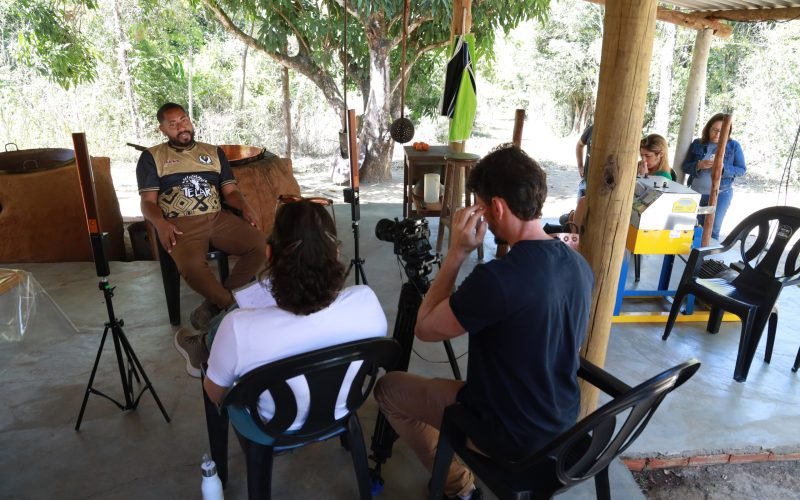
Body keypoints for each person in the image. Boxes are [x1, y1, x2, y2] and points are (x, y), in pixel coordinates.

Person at [374, 144, 594, 500]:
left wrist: (456, 254)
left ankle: (458, 486)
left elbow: (425, 328)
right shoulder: (577, 264)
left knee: (389, 390)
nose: (483, 220)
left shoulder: (497, 279)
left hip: (508, 433)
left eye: (481, 208)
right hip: (562, 421)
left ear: (498, 206)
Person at [203, 200, 387, 422]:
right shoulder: (366, 303)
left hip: (272, 426)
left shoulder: (238, 327)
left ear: (269, 253)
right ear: (336, 253)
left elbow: (215, 394)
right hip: (341, 409)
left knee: (218, 343)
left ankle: (201, 345)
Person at [137, 102, 266, 338]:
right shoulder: (152, 157)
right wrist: (161, 223)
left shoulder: (214, 152)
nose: (181, 127)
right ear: (162, 129)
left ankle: (213, 306)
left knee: (259, 244)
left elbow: (230, 192)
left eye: (184, 120)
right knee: (192, 267)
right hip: (180, 223)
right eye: (173, 124)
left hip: (218, 218)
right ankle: (231, 307)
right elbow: (147, 202)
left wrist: (245, 206)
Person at [682, 113, 747, 240]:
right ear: (708, 129)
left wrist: (723, 168)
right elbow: (685, 166)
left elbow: (741, 169)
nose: (717, 134)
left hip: (721, 194)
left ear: (728, 132)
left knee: (712, 230)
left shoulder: (733, 146)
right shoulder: (697, 143)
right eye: (715, 130)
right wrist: (698, 165)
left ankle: (707, 259)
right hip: (696, 193)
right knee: (692, 228)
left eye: (722, 131)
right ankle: (691, 257)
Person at [575, 123, 593, 197]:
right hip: (586, 184)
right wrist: (580, 166)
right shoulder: (592, 129)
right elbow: (579, 145)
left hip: (605, 188)